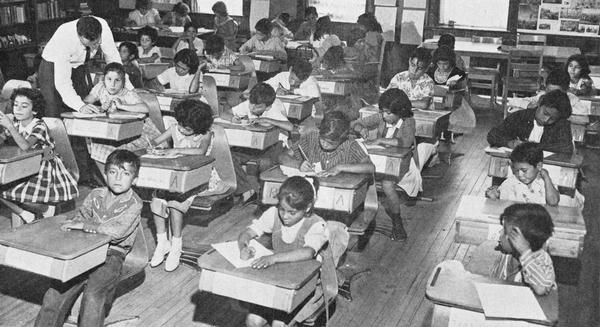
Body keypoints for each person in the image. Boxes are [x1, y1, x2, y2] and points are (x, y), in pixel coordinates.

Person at [34, 149, 143, 327]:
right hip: (85, 251)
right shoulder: (95, 195)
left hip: (112, 255)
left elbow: (116, 232)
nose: (117, 178)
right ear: (105, 174)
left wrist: (86, 226)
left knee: (93, 294)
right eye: (113, 172)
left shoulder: (134, 203)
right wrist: (72, 227)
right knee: (56, 292)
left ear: (135, 179)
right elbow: (81, 217)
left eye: (125, 174)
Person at [38, 15, 127, 187]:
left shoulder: (103, 25)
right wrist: (80, 105)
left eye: (96, 43)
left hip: (79, 66)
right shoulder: (64, 37)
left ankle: (84, 174)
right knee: (54, 120)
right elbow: (62, 83)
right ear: (79, 36)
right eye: (87, 44)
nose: (93, 47)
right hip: (52, 68)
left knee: (84, 121)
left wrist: (126, 89)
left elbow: (113, 59)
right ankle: (54, 174)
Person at [238, 176, 337, 327]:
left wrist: (273, 258)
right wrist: (243, 246)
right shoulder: (273, 214)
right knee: (252, 320)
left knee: (279, 324)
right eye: (282, 209)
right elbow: (248, 232)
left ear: (308, 207)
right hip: (279, 281)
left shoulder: (317, 225)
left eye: (292, 213)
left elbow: (308, 252)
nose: (285, 216)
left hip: (306, 287)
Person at [149, 100, 227, 271]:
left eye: (187, 129)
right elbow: (154, 142)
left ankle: (177, 245)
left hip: (201, 178)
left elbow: (200, 151)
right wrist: (154, 148)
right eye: (181, 125)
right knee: (157, 198)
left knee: (175, 202)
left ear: (199, 127)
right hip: (177, 175)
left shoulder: (205, 135)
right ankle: (162, 242)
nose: (182, 130)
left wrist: (176, 150)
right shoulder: (175, 128)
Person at [0, 88, 78, 223]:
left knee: (17, 193)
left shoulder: (39, 125)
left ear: (34, 110)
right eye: (15, 105)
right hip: (26, 165)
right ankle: (25, 213)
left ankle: (46, 210)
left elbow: (25, 146)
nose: (18, 109)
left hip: (47, 166)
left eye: (24, 106)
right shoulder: (16, 124)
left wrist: (10, 127)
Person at [351, 89, 414, 240]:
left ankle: (397, 223)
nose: (384, 116)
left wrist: (380, 140)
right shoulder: (381, 117)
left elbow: (406, 143)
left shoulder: (409, 121)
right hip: (379, 158)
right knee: (358, 175)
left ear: (400, 111)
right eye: (383, 112)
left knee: (387, 184)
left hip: (401, 162)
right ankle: (359, 217)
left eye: (388, 113)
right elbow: (356, 123)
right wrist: (362, 129)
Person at [221, 83, 292, 201]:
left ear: (267, 107)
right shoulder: (251, 104)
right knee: (227, 155)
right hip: (255, 145)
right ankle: (247, 189)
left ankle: (262, 193)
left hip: (276, 145)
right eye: (251, 104)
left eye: (257, 106)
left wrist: (268, 119)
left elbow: (290, 127)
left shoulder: (275, 108)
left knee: (264, 162)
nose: (252, 108)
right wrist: (232, 118)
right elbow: (224, 113)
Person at [83, 62, 162, 164]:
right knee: (94, 146)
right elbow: (86, 102)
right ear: (103, 80)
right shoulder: (101, 88)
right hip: (116, 132)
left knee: (119, 154)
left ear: (123, 82)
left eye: (117, 80)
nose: (113, 84)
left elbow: (145, 108)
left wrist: (122, 106)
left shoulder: (127, 94)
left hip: (138, 132)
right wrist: (100, 108)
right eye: (109, 79)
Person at [280, 110, 375, 178]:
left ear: (342, 140)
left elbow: (370, 167)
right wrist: (298, 164)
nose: (324, 144)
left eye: (330, 143)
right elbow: (282, 157)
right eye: (322, 139)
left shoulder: (350, 145)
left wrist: (340, 167)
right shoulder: (312, 137)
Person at [495, 203, 556, 296]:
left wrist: (525, 252)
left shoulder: (541, 260)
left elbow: (541, 289)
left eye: (504, 230)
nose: (500, 232)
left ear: (519, 241)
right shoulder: (508, 254)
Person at [487, 89, 574, 154]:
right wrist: (510, 143)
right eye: (545, 113)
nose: (546, 120)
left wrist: (531, 146)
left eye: (552, 118)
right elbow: (493, 134)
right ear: (539, 103)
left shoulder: (561, 124)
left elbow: (566, 147)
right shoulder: (520, 116)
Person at [486, 142, 559, 206]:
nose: (520, 175)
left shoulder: (544, 183)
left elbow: (553, 202)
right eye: (516, 170)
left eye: (524, 170)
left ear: (539, 166)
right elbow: (501, 203)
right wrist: (493, 196)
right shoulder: (511, 182)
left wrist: (546, 177)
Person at [426, 45, 475, 136]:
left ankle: (448, 131)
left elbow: (463, 76)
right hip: (435, 97)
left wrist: (456, 81)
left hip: (451, 99)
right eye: (439, 64)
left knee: (450, 116)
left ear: (451, 62)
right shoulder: (432, 71)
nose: (442, 67)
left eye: (445, 64)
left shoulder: (456, 72)